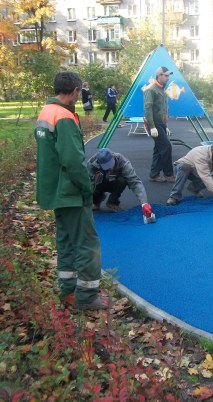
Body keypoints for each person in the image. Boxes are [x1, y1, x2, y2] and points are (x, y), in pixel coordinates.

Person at [34, 71, 109, 310]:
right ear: (76, 91)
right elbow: (73, 160)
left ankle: (68, 290)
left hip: (54, 191)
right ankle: (86, 296)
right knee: (87, 243)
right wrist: (87, 189)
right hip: (70, 192)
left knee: (66, 242)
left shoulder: (46, 112)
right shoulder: (65, 116)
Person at [165, 141, 213, 206]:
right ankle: (174, 196)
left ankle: (193, 188)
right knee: (185, 167)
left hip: (197, 171)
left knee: (209, 182)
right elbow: (205, 176)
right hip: (182, 168)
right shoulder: (201, 155)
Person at [87, 148, 154, 220]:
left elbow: (135, 182)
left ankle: (112, 202)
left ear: (113, 157)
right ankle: (96, 201)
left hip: (114, 182)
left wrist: (144, 203)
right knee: (93, 186)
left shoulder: (123, 162)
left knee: (122, 180)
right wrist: (86, 201)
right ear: (99, 163)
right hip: (100, 182)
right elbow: (89, 183)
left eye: (110, 164)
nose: (109, 168)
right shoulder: (91, 163)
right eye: (106, 166)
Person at [143, 66, 175, 183]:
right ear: (159, 75)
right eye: (166, 75)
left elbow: (162, 110)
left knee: (159, 149)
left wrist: (165, 126)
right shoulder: (151, 89)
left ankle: (154, 175)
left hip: (160, 124)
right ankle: (168, 174)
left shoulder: (162, 89)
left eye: (168, 75)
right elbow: (148, 109)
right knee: (166, 147)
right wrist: (152, 127)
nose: (168, 78)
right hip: (154, 124)